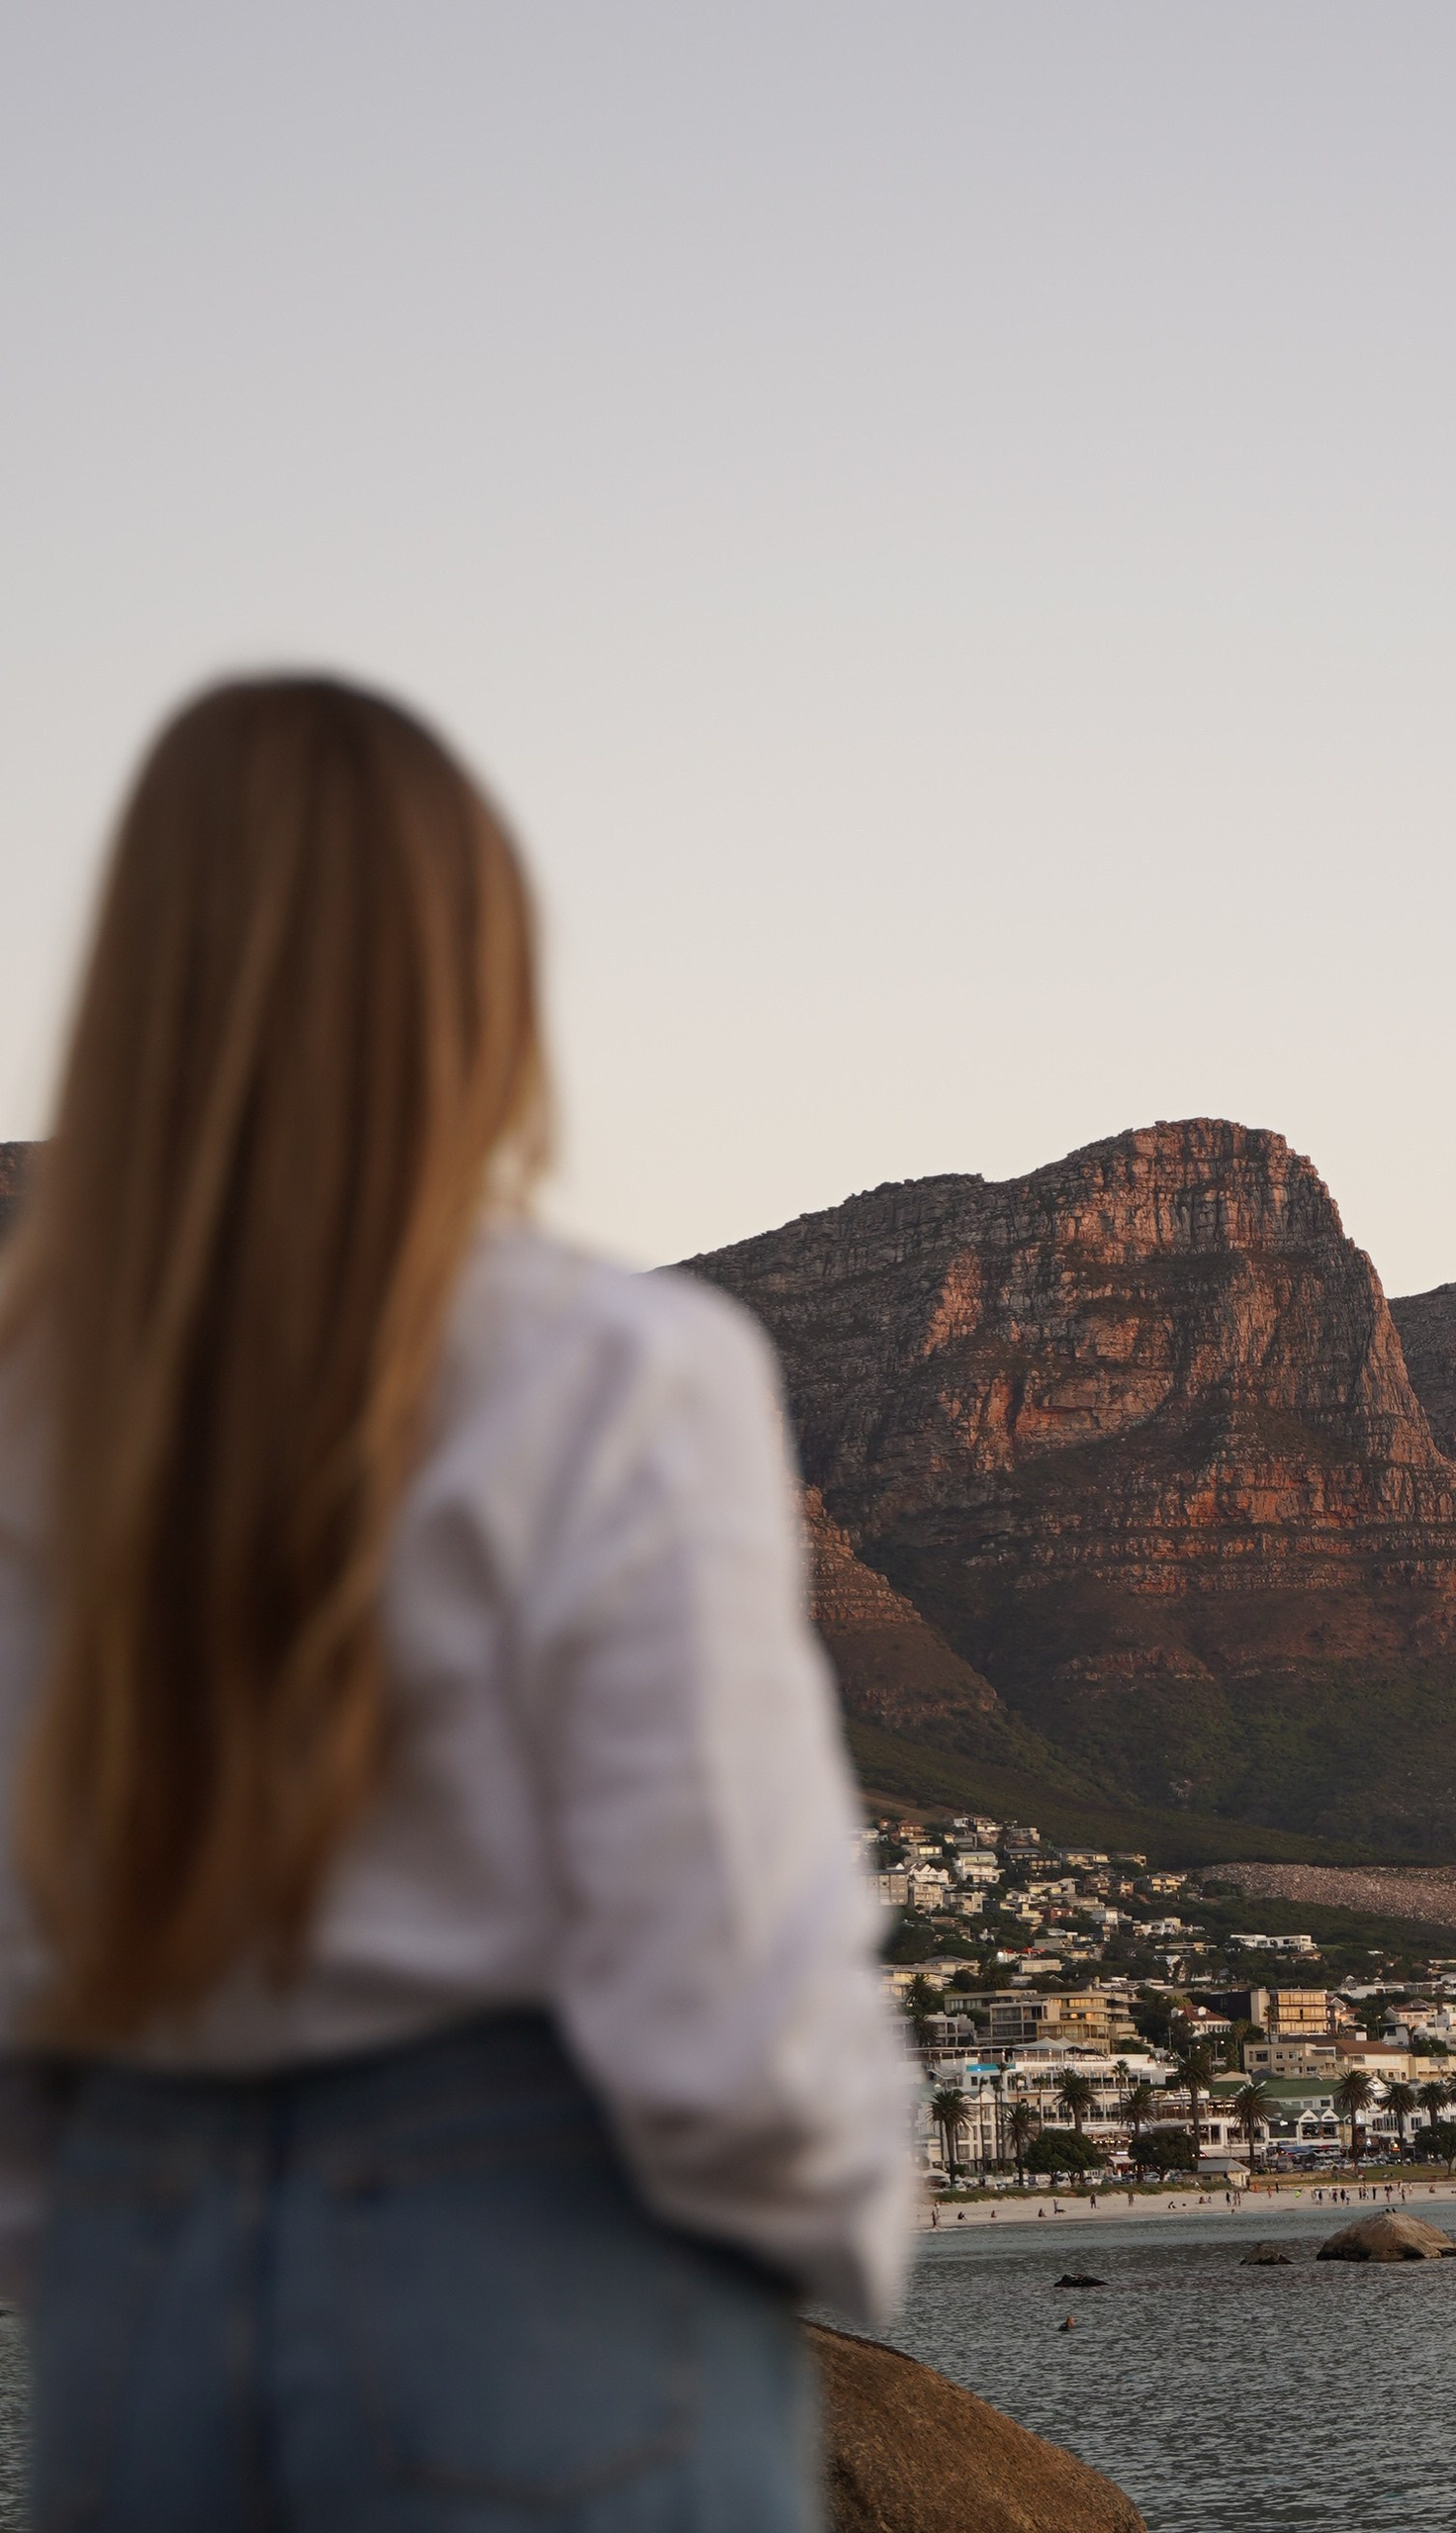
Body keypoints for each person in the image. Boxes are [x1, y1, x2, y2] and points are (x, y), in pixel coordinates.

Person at [0, 677, 914, 2528]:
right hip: (541, 2305)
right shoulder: (613, 1374)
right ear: (474, 989)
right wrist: (850, 2222)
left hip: (137, 2331)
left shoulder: (30, 1414)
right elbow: (728, 1978)